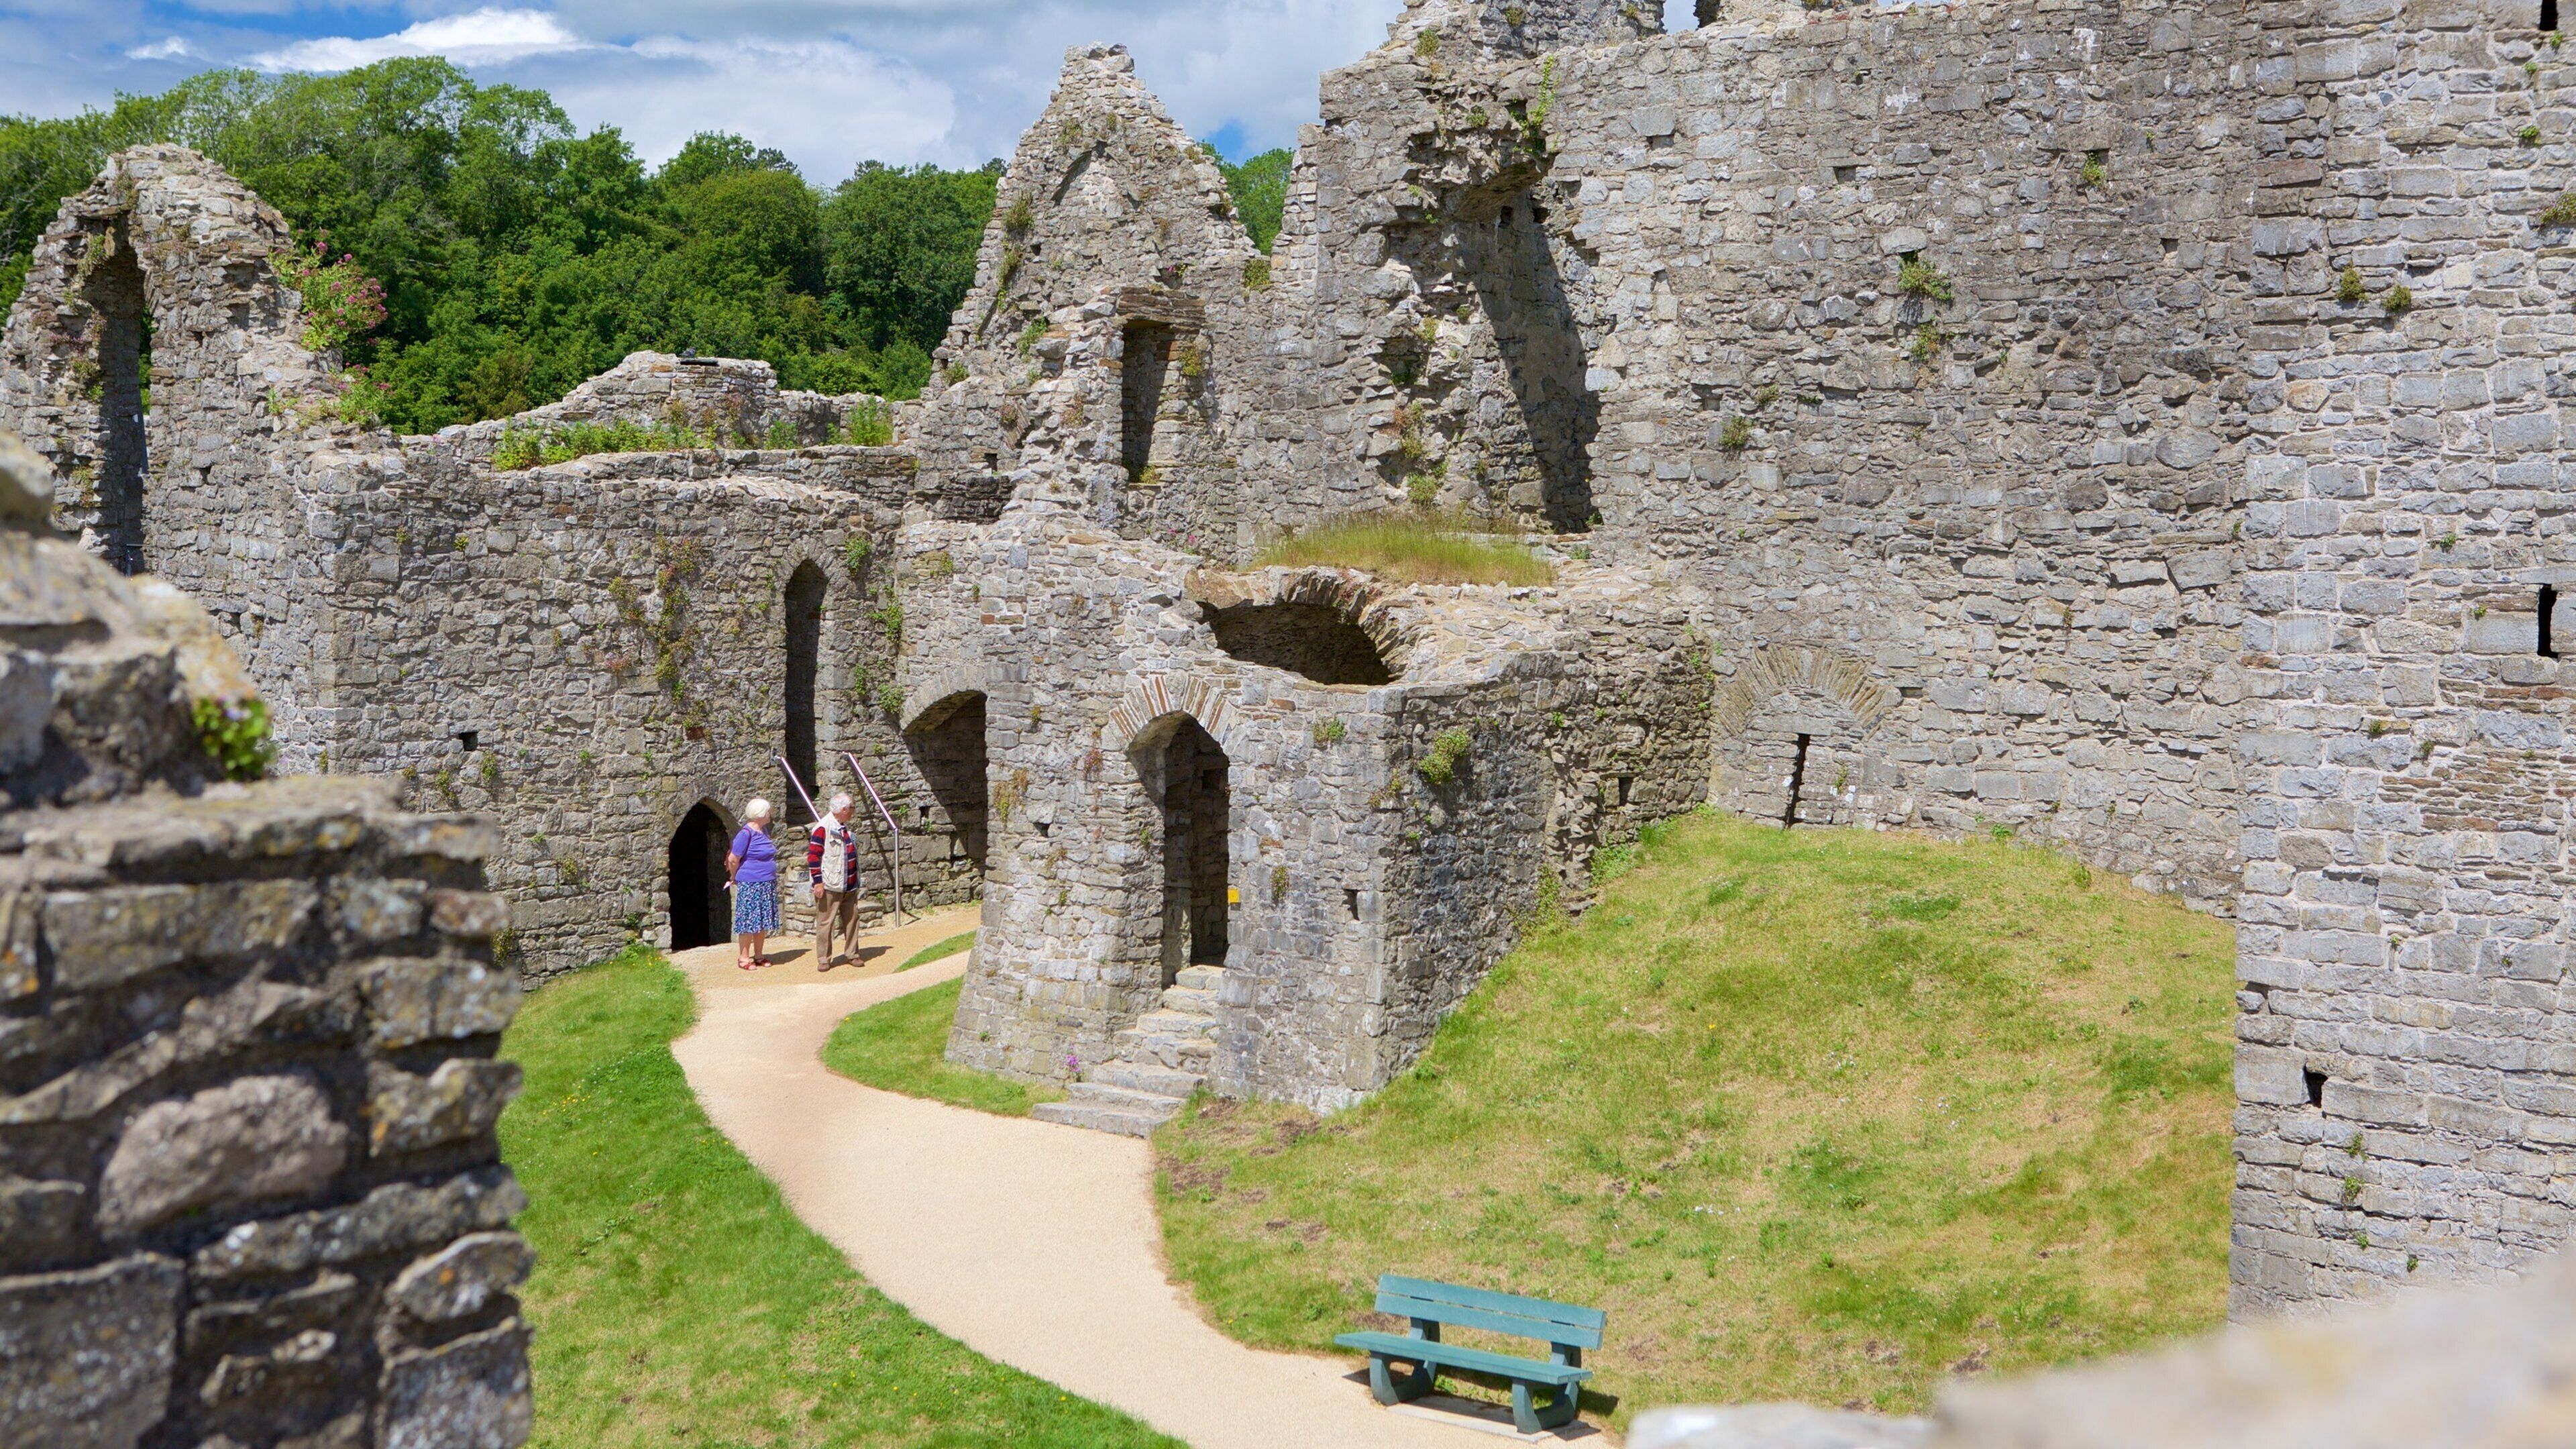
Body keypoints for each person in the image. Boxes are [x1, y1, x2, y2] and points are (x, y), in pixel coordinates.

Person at [808, 793, 863, 969]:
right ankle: (824, 959)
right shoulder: (822, 828)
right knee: (825, 923)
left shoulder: (843, 826)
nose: (853, 811)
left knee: (852, 920)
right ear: (844, 809)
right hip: (830, 885)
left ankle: (852, 954)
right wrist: (818, 882)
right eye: (852, 808)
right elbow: (813, 857)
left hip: (849, 884)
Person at [727, 798, 779, 970]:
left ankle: (759, 956)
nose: (771, 814)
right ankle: (743, 957)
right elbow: (733, 859)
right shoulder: (745, 834)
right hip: (751, 884)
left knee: (762, 921)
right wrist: (734, 877)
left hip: (766, 883)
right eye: (768, 811)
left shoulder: (764, 831)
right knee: (748, 921)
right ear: (761, 814)